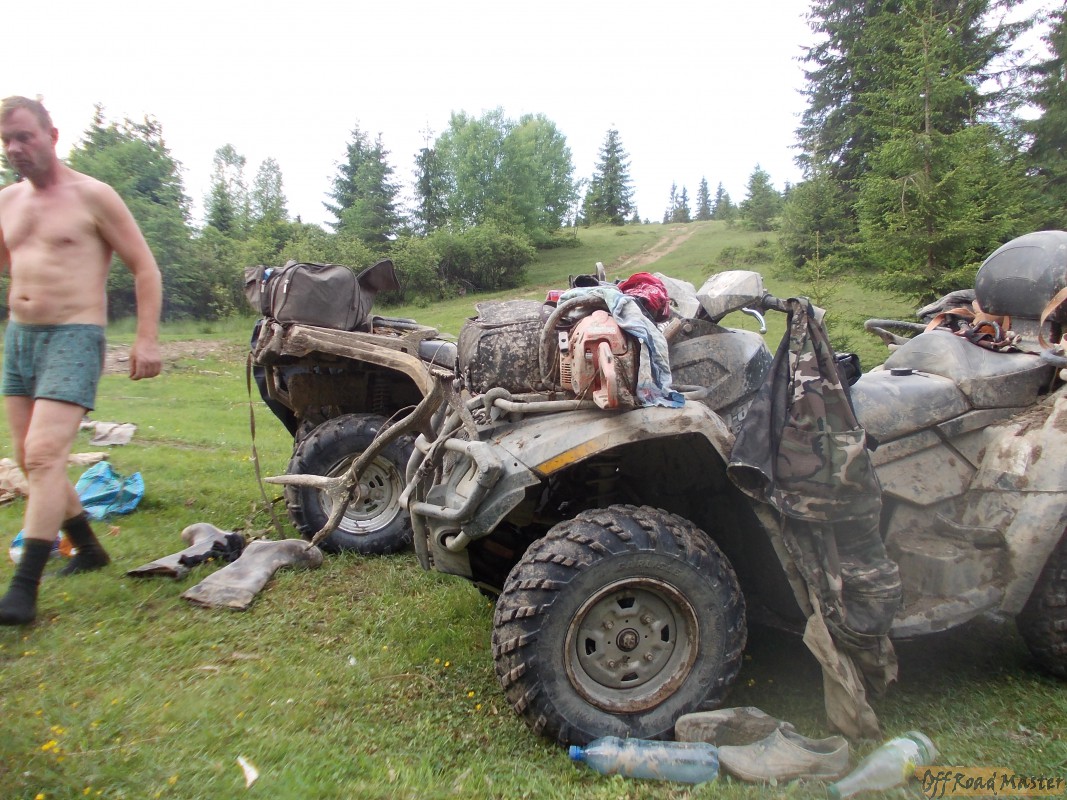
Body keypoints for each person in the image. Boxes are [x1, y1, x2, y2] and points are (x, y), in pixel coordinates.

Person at [0, 96, 162, 625]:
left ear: (52, 135)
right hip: (19, 337)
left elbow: (144, 267)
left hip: (74, 335)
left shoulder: (93, 196)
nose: (14, 148)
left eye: (24, 136)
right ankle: (88, 548)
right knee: (28, 457)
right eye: (6, 140)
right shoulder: (7, 201)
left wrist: (146, 339)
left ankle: (22, 592)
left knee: (44, 455)